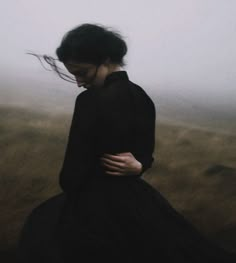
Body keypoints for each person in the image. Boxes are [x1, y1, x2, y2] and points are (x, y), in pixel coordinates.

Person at [17, 23, 236, 263]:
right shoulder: (142, 97)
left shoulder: (89, 101)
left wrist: (72, 191)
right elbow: (145, 153)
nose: (79, 82)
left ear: (106, 60)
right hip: (137, 199)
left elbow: (72, 170)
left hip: (92, 204)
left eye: (83, 72)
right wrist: (139, 166)